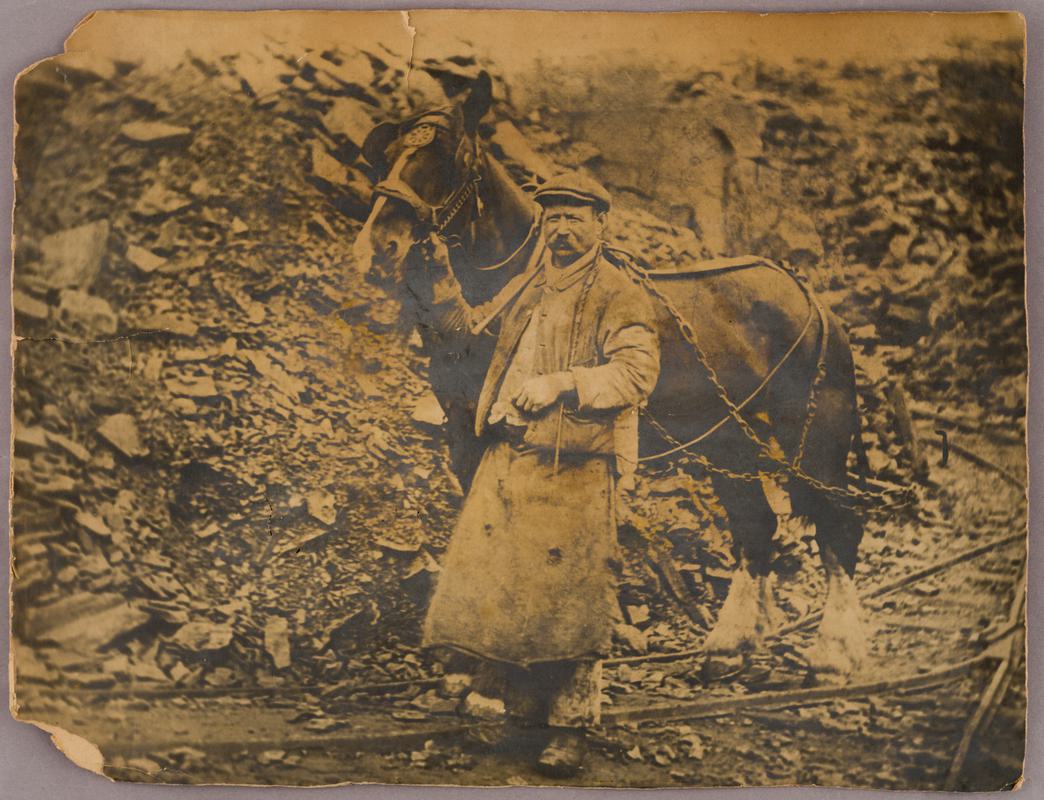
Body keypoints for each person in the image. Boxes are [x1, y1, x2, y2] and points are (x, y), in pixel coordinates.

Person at [421, 172, 661, 777]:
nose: (561, 229)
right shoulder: (530, 285)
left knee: (572, 599)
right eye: (552, 218)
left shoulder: (618, 291)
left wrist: (564, 383)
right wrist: (438, 273)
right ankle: (522, 711)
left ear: (602, 225)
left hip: (575, 463)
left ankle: (571, 729)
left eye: (574, 217)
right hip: (510, 456)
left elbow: (636, 372)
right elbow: (470, 335)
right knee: (504, 585)